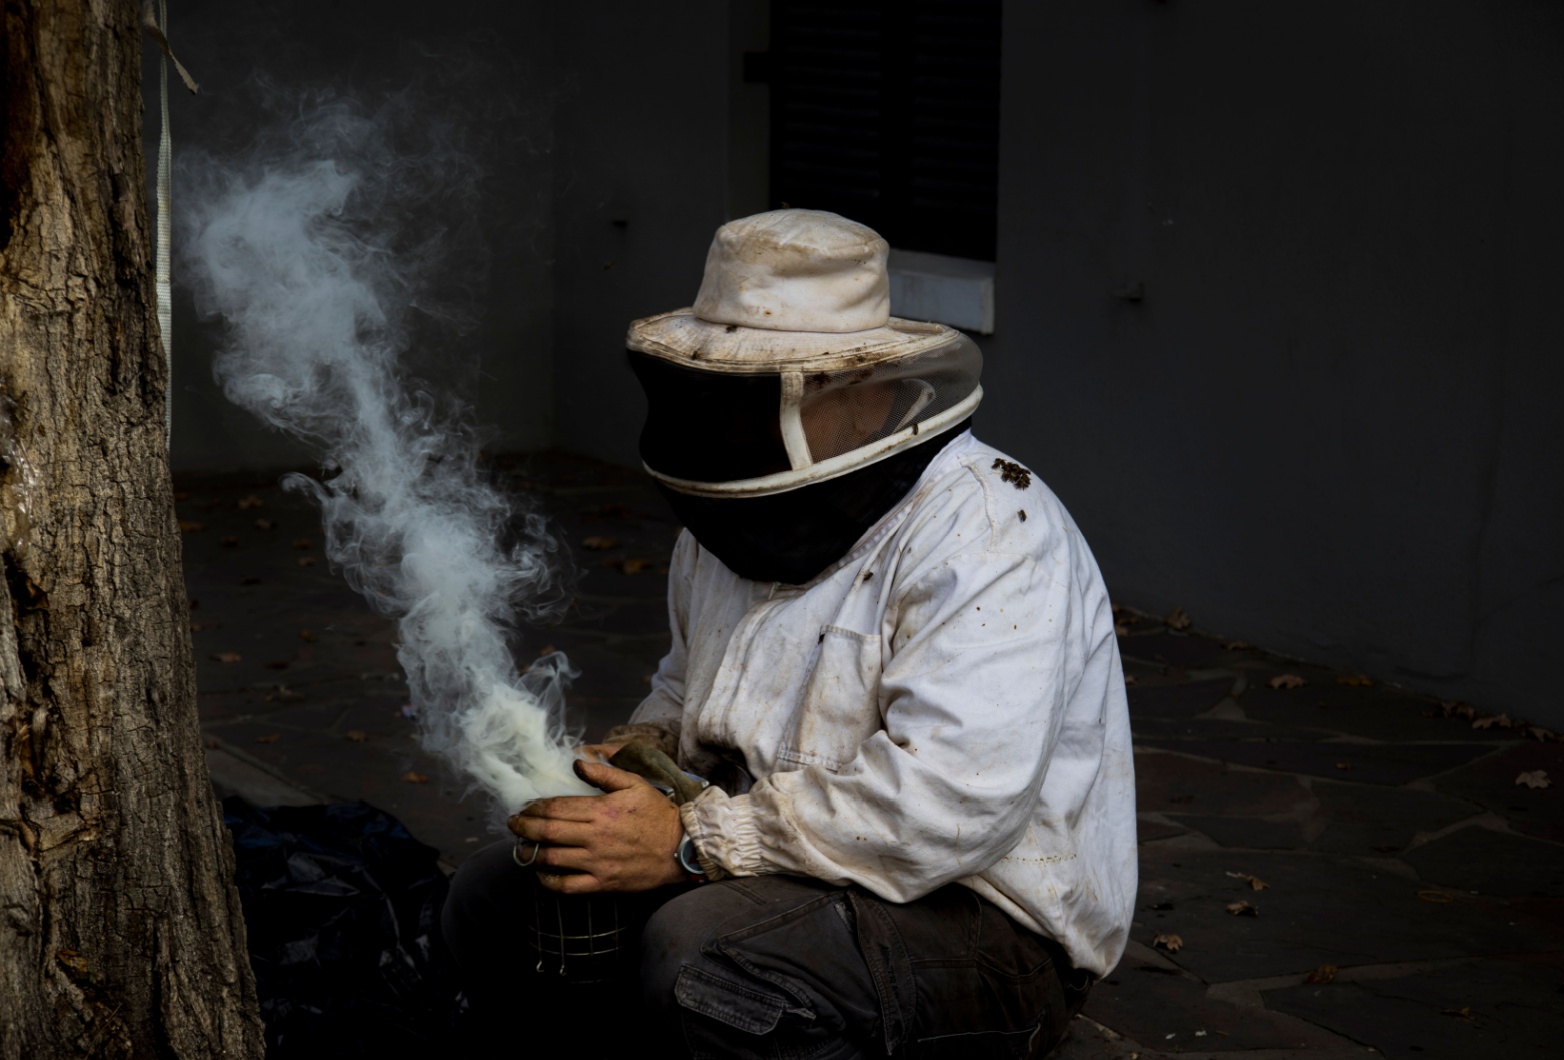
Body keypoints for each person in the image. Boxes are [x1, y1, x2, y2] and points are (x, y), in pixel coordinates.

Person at [443, 209, 1137, 1058]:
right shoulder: (730, 518)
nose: (728, 430)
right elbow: (687, 682)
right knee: (496, 895)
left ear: (865, 388)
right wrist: (642, 752)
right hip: (782, 871)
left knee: (702, 957)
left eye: (752, 398)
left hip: (986, 927)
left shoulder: (994, 528)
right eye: (716, 397)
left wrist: (694, 844)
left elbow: (951, 804)